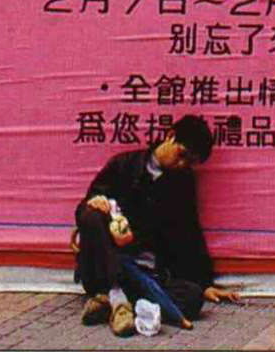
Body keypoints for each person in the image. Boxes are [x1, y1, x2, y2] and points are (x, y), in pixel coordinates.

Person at [74, 115, 239, 336]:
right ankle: (117, 298)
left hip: (147, 270)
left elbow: (189, 233)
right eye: (182, 155)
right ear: (170, 136)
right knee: (91, 216)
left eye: (189, 162)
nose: (182, 164)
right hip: (109, 260)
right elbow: (83, 212)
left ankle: (111, 301)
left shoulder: (182, 182)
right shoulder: (124, 165)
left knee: (192, 298)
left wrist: (204, 283)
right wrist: (95, 202)